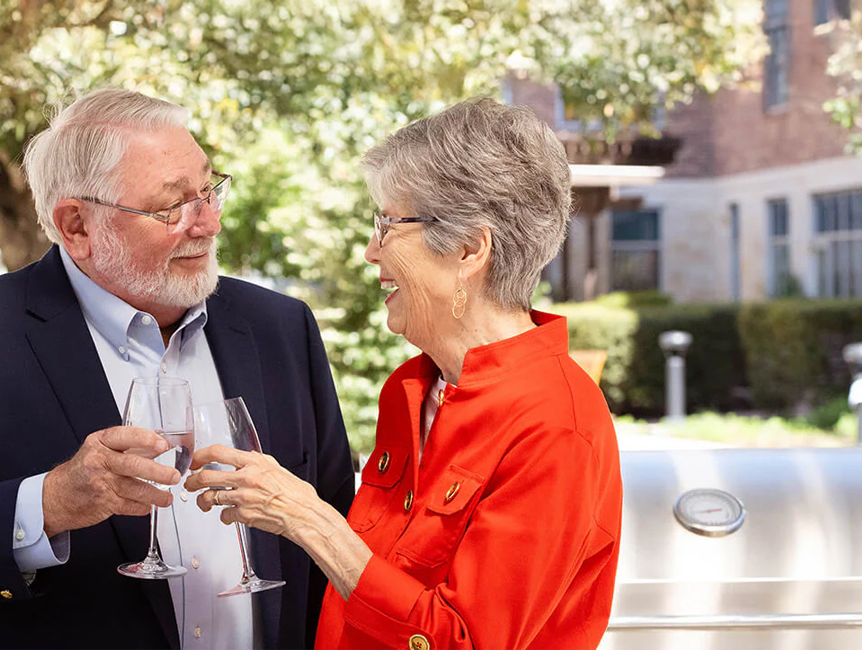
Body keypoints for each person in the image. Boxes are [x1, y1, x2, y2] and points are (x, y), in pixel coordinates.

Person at [0, 89, 356, 650]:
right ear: (77, 226)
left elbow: (335, 532)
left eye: (209, 191)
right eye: (173, 207)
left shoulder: (280, 327)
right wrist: (50, 502)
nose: (207, 223)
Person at [185, 97, 623, 650]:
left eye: (388, 224)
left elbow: (462, 641)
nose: (372, 251)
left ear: (469, 248)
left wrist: (311, 521)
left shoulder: (557, 425)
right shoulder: (411, 389)